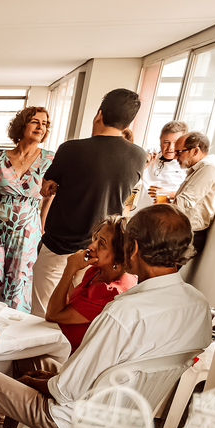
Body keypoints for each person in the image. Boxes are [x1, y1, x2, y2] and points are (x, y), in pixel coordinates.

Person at [0, 205, 210, 428]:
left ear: (134, 248)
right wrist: (52, 379)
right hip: (127, 414)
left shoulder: (124, 312)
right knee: (32, 362)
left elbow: (66, 391)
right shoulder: (198, 306)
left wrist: (44, 383)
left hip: (72, 419)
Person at [33, 88, 146, 317]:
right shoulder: (138, 155)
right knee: (78, 314)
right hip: (100, 250)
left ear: (99, 114)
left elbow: (48, 186)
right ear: (128, 123)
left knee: (43, 313)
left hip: (59, 246)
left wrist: (56, 184)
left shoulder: (71, 149)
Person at [0, 107, 55, 312]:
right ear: (22, 125)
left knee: (18, 281)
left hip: (27, 229)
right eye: (35, 122)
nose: (40, 127)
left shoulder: (50, 160)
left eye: (44, 124)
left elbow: (49, 197)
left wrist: (42, 224)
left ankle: (10, 328)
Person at [44, 216, 137, 352]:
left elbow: (53, 315)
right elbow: (68, 304)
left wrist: (69, 269)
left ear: (119, 257)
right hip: (60, 343)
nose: (91, 246)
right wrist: (74, 270)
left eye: (101, 244)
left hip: (71, 355)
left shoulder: (110, 291)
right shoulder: (96, 271)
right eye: (96, 239)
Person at [172, 131, 215, 257]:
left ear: (195, 151)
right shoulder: (199, 168)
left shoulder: (209, 168)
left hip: (189, 233)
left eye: (179, 152)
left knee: (161, 267)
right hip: (183, 230)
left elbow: (185, 201)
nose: (175, 157)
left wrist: (156, 214)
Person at [131, 120, 187, 212]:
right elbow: (128, 180)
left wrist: (169, 193)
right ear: (160, 140)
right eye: (166, 142)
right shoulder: (149, 153)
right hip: (139, 211)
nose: (170, 147)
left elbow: (191, 195)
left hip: (166, 213)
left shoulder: (187, 165)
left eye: (175, 142)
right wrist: (143, 165)